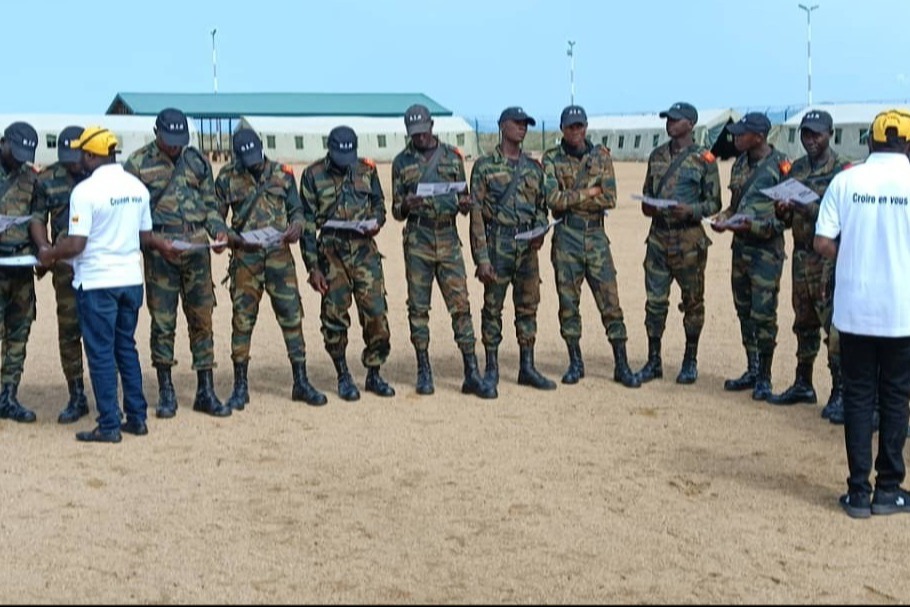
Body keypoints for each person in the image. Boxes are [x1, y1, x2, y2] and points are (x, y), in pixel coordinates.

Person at [37, 126, 178, 442]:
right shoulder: (137, 187)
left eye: (82, 154)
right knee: (126, 348)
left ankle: (109, 425)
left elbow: (75, 245)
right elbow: (144, 238)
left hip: (98, 282)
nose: (79, 160)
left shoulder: (85, 192)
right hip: (130, 279)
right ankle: (137, 417)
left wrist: (49, 253)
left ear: (90, 154)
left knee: (100, 354)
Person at [815, 109, 910, 518]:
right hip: (901, 311)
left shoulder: (847, 180)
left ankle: (857, 492)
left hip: (854, 309)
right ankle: (889, 489)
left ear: (870, 142)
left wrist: (853, 255)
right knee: (895, 396)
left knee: (858, 397)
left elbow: (821, 242)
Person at [123, 107, 230, 419]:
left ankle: (205, 389)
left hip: (197, 248)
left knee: (202, 318)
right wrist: (155, 243)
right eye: (169, 140)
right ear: (156, 133)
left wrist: (218, 230)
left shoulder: (196, 160)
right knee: (163, 322)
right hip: (161, 252)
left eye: (179, 140)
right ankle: (166, 389)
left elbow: (210, 203)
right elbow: (131, 216)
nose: (174, 146)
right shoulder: (137, 164)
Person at [215, 129, 327, 408]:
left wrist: (297, 227)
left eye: (256, 156)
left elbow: (297, 210)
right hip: (245, 259)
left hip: (279, 257)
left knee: (292, 317)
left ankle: (300, 381)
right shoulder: (227, 177)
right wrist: (227, 236)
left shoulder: (283, 174)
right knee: (242, 321)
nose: (253, 162)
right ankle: (240, 386)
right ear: (237, 155)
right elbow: (216, 218)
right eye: (246, 158)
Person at [391, 104, 493, 399]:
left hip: (447, 237)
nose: (419, 138)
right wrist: (405, 206)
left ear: (432, 126)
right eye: (414, 134)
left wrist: (464, 205)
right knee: (418, 308)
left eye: (423, 132)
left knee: (460, 304)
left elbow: (464, 199)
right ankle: (424, 369)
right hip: (418, 240)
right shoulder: (401, 162)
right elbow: (396, 210)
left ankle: (470, 370)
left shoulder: (452, 157)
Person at [542, 104, 640, 388]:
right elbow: (552, 200)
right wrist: (587, 191)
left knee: (610, 302)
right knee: (568, 304)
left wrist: (571, 196)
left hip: (596, 237)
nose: (577, 131)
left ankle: (621, 364)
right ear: (562, 128)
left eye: (581, 126)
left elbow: (609, 198)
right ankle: (575, 362)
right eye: (571, 126)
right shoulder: (551, 159)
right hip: (567, 238)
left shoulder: (601, 157)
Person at [300, 126, 395, 401]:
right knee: (334, 317)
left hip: (364, 250)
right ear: (329, 149)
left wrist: (376, 222)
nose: (345, 162)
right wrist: (313, 267)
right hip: (331, 252)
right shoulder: (312, 174)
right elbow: (306, 225)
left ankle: (374, 372)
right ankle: (342, 374)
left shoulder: (366, 169)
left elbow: (379, 205)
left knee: (376, 313)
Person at [768, 110, 851, 418]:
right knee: (803, 322)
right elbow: (787, 218)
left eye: (816, 134)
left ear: (830, 133)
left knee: (833, 325)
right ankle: (803, 382)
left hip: (827, 258)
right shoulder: (797, 168)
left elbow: (842, 218)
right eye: (805, 133)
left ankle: (839, 391)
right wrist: (783, 209)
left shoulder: (843, 170)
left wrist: (808, 206)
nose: (810, 140)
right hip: (802, 254)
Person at [469, 106, 555, 395]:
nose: (523, 128)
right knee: (493, 307)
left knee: (528, 305)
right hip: (498, 245)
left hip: (527, 247)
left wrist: (541, 229)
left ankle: (526, 366)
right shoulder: (484, 166)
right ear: (502, 126)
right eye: (517, 123)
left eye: (526, 124)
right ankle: (491, 367)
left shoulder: (533, 168)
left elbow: (542, 208)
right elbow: (476, 215)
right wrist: (481, 258)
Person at [635, 102, 721, 385]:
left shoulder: (704, 159)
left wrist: (691, 211)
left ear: (690, 124)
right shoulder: (657, 155)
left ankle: (690, 361)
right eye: (667, 119)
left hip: (688, 242)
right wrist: (648, 207)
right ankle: (653, 361)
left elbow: (714, 202)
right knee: (655, 303)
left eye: (675, 119)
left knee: (693, 303)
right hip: (659, 239)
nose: (670, 123)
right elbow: (648, 193)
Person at [711, 112, 790, 401]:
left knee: (764, 316)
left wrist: (753, 225)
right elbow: (734, 206)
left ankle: (765, 378)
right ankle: (752, 368)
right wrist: (723, 218)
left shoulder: (781, 166)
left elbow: (787, 218)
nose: (735, 137)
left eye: (741, 133)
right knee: (744, 312)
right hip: (740, 251)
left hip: (766, 254)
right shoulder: (740, 164)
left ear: (758, 136)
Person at [29, 126, 91, 424]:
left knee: (103, 330)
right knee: (69, 332)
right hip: (65, 268)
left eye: (76, 155)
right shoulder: (48, 179)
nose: (71, 163)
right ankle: (76, 394)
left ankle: (107, 393)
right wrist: (43, 246)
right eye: (65, 156)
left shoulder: (99, 177)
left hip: (98, 266)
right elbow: (39, 218)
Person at [0, 122, 39, 423]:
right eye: (17, 152)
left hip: (20, 268)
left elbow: (37, 219)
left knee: (18, 333)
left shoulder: (31, 178)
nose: (21, 159)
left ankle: (8, 396)